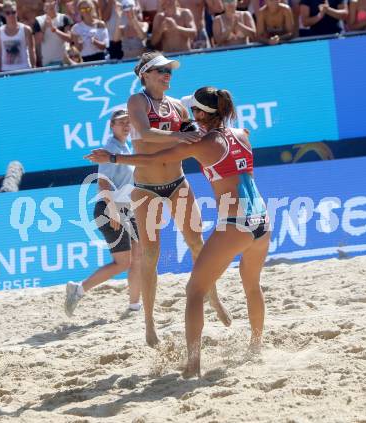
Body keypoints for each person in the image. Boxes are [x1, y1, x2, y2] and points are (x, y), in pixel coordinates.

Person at [86, 86, 270, 378]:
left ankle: (193, 364)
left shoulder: (202, 144)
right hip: (262, 221)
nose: (191, 117)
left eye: (195, 111)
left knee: (194, 291)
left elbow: (154, 160)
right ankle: (256, 347)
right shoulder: (243, 135)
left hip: (236, 224)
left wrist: (113, 159)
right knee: (252, 286)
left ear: (201, 113)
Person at [91, 51, 231, 347]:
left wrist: (200, 135)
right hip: (146, 188)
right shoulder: (137, 101)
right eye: (160, 70)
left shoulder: (178, 105)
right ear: (145, 74)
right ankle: (149, 324)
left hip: (177, 182)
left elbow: (196, 135)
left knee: (198, 244)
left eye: (169, 70)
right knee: (150, 256)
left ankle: (214, 299)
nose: (167, 74)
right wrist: (180, 137)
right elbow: (143, 132)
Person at [65, 109, 142, 316]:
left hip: (128, 209)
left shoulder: (125, 147)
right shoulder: (109, 149)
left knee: (137, 258)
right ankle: (79, 289)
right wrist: (114, 210)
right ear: (111, 125)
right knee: (123, 262)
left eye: (129, 121)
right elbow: (102, 183)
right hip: (110, 209)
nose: (126, 125)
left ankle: (135, 306)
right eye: (121, 122)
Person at [0, 1, 36, 72]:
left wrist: (34, 68)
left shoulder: (26, 30)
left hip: (24, 69)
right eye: (8, 13)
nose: (11, 15)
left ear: (17, 12)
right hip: (6, 70)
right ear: (4, 14)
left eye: (13, 12)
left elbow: (32, 50)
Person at [34, 0, 72, 67]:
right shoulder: (38, 20)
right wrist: (44, 27)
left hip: (63, 62)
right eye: (48, 2)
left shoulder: (64, 18)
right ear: (44, 6)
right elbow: (38, 41)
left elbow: (69, 39)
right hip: (46, 62)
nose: (51, 3)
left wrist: (54, 30)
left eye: (53, 1)